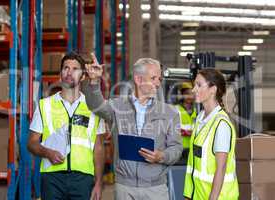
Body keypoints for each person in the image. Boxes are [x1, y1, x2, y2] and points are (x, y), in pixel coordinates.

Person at [82, 54, 183, 200]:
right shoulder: (117, 107)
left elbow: (176, 147)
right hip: (125, 188)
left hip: (156, 189)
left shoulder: (170, 113)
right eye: (154, 78)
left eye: (159, 79)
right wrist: (94, 81)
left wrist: (162, 156)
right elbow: (95, 106)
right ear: (138, 79)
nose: (158, 84)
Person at [27, 52, 105, 200]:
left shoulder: (94, 107)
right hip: (52, 178)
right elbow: (31, 143)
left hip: (83, 179)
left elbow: (99, 147)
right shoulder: (45, 105)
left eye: (75, 69)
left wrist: (99, 183)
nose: (69, 72)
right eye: (66, 68)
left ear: (83, 76)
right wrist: (47, 152)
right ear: (60, 74)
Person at [183, 69, 239, 200]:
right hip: (197, 196)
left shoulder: (221, 125)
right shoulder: (200, 119)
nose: (193, 90)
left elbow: (221, 168)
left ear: (213, 89)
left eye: (199, 85)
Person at [174, 82, 197, 150]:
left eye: (192, 93)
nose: (190, 96)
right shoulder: (175, 109)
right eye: (187, 93)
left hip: (192, 148)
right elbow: (172, 130)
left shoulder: (196, 110)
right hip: (179, 148)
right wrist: (190, 133)